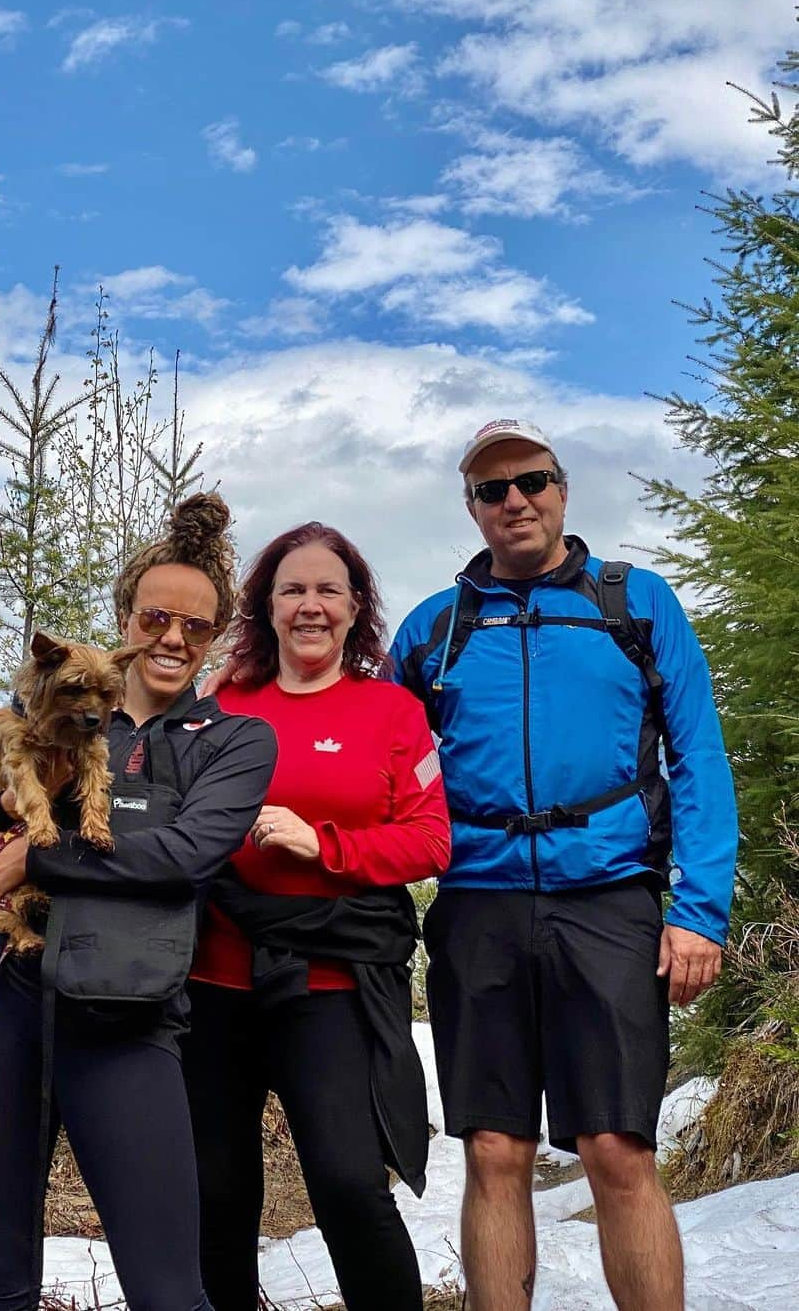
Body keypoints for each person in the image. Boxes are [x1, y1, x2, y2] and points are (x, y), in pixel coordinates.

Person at [389, 419, 738, 1311]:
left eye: (532, 481)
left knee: (616, 1148)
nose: (516, 502)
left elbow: (698, 756)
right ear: (471, 507)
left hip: (611, 899)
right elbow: (380, 767)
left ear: (563, 489)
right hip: (478, 903)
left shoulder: (638, 604)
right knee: (494, 1150)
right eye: (492, 490)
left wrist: (699, 911)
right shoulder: (436, 628)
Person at [0, 493, 276, 1311]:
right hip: (2, 999)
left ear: (216, 640)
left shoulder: (236, 742)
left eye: (198, 627)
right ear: (124, 617)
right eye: (154, 618)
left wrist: (35, 858)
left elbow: (183, 862)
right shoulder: (51, 716)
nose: (173, 639)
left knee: (169, 1290)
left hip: (128, 1019)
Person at [184, 521, 451, 1311]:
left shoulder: (392, 712)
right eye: (292, 589)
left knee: (347, 1187)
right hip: (213, 980)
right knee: (218, 1199)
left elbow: (432, 840)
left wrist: (323, 845)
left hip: (330, 985)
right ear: (265, 606)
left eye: (328, 589)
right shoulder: (218, 706)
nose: (310, 605)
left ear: (355, 605)